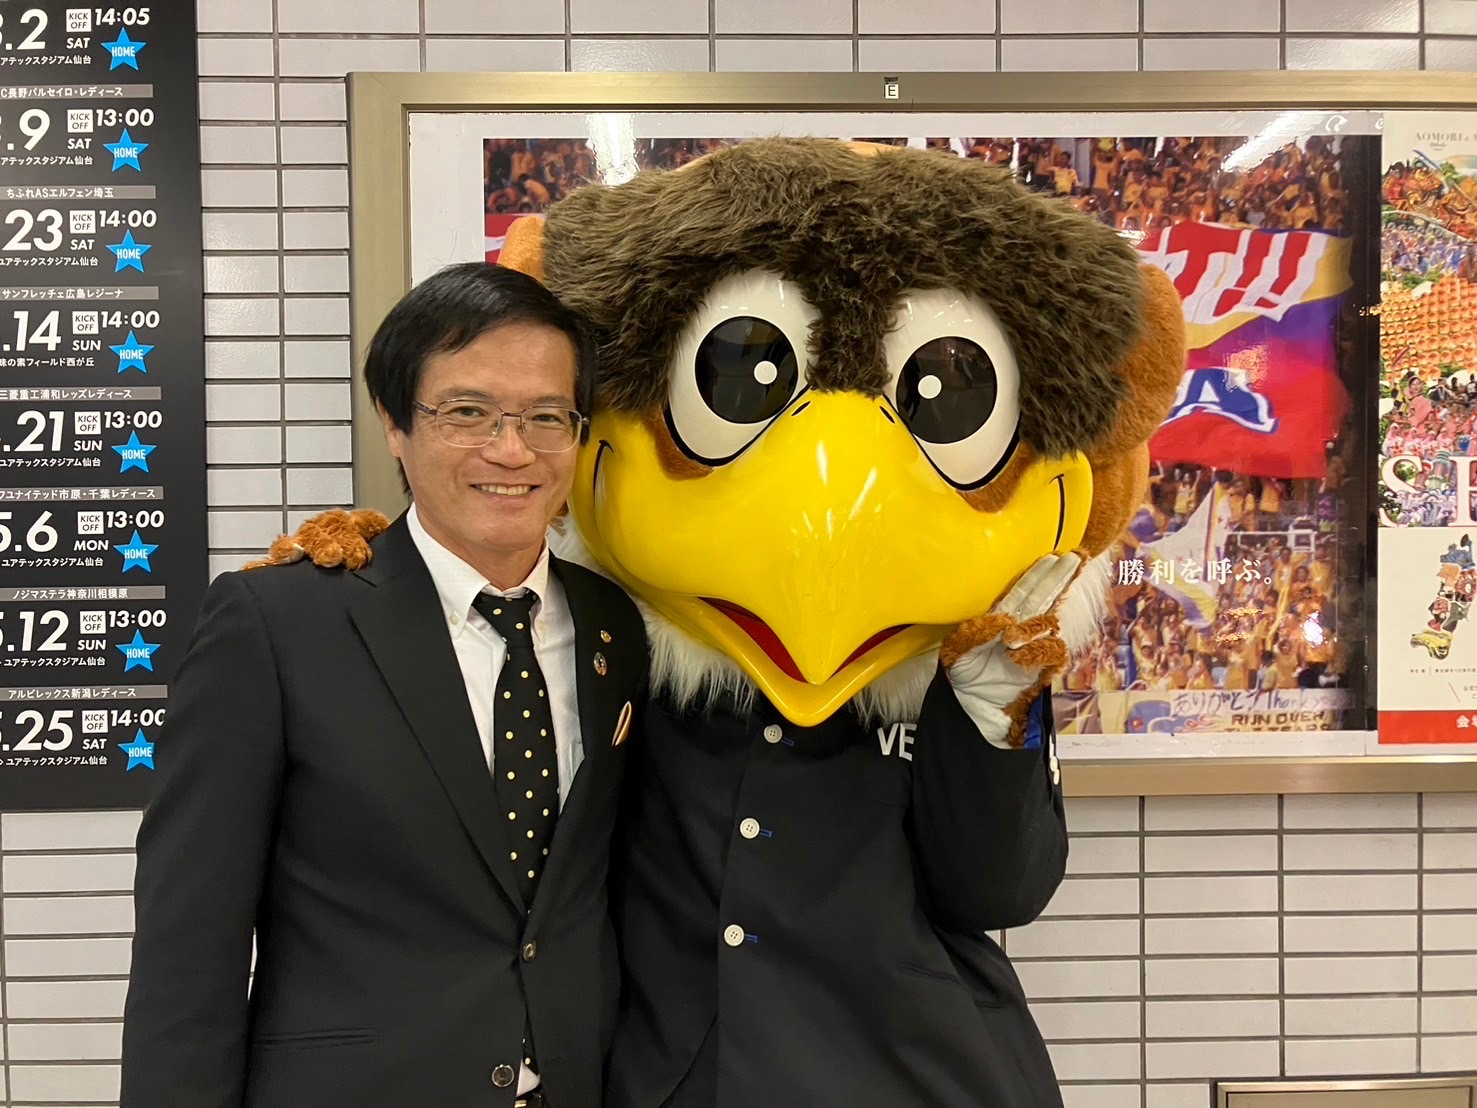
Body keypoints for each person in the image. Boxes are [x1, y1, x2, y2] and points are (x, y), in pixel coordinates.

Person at [120, 263, 648, 1108]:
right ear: (395, 424)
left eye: (547, 416)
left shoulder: (612, 625)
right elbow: (189, 945)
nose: (512, 450)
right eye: (466, 413)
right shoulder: (275, 625)